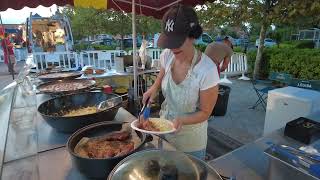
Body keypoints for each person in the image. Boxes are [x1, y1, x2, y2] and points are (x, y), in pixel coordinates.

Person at [142, 4, 219, 160]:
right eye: (169, 41)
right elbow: (160, 79)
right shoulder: (167, 55)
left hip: (191, 142)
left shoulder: (207, 70)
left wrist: (181, 120)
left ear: (193, 36)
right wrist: (153, 90)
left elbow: (206, 112)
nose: (171, 47)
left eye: (176, 41)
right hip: (163, 130)